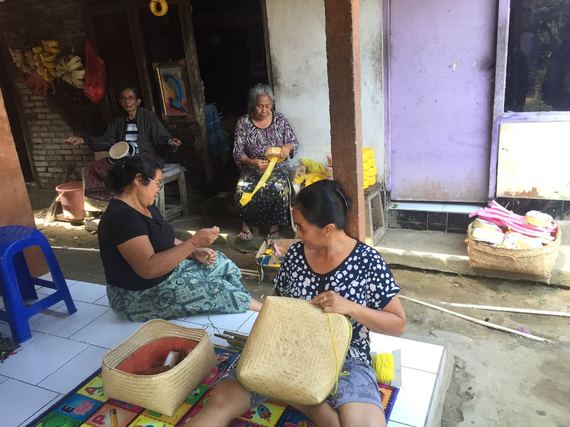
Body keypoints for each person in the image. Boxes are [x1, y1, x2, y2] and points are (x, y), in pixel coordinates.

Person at [185, 180, 406, 427]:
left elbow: (397, 324)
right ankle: (303, 396)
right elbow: (279, 308)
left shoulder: (368, 261)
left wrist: (350, 307)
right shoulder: (295, 255)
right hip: (284, 349)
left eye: (301, 228)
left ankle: (305, 399)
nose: (296, 235)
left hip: (344, 357)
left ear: (328, 229)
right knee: (218, 404)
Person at [97, 154, 262, 321]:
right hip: (137, 295)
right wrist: (194, 242)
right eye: (157, 182)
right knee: (220, 289)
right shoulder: (122, 218)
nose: (158, 189)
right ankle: (263, 311)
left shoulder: (146, 206)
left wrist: (194, 252)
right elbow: (148, 268)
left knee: (223, 263)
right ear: (139, 180)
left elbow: (165, 240)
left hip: (167, 273)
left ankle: (244, 304)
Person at [65, 87, 182, 200]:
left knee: (130, 170)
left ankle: (135, 200)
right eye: (123, 98)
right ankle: (115, 198)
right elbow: (108, 140)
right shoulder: (118, 120)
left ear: (137, 101)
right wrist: (83, 140)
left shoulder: (148, 117)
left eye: (130, 98)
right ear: (120, 101)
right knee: (95, 167)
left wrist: (170, 142)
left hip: (146, 156)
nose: (127, 101)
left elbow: (161, 136)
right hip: (124, 158)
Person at [233, 83, 299, 240]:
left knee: (279, 188)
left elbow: (293, 142)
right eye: (259, 106)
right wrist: (252, 162)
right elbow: (237, 152)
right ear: (252, 106)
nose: (264, 110)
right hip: (253, 168)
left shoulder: (280, 120)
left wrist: (286, 147)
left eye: (268, 106)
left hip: (278, 168)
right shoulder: (244, 123)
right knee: (243, 189)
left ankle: (274, 225)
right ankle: (248, 222)